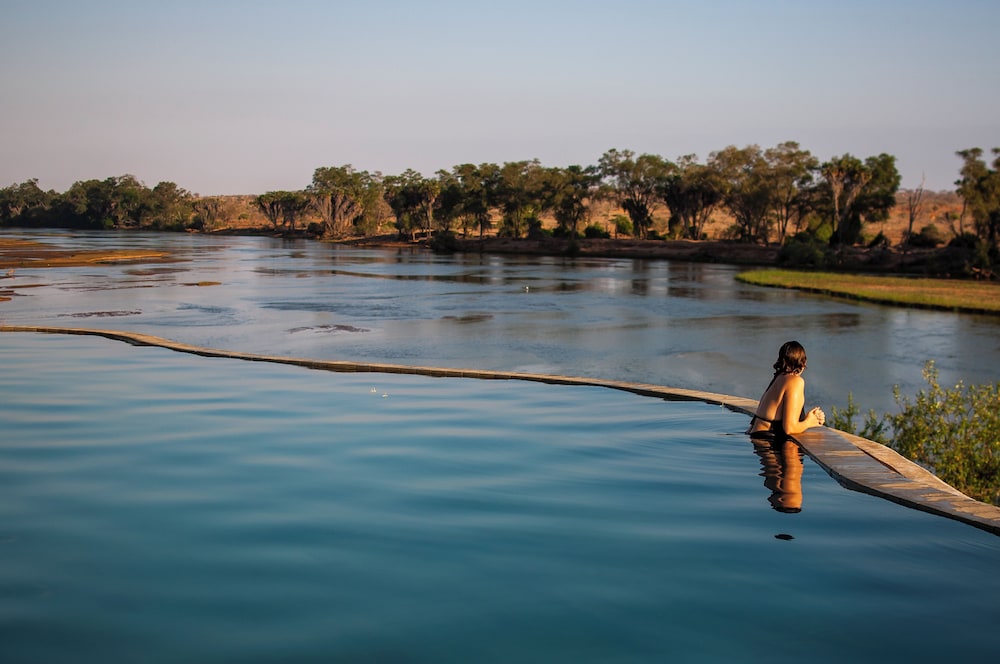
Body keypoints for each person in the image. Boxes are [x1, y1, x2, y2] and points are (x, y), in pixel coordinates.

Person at [747, 340, 825, 440]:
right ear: (804, 362)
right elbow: (789, 428)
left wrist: (809, 418)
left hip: (757, 436)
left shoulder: (778, 378)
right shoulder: (796, 381)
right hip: (767, 441)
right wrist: (810, 422)